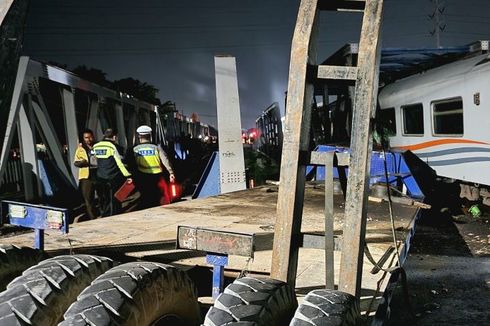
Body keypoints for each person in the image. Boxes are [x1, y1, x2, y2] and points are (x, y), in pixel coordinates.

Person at [127, 125, 175, 208]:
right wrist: (171, 172)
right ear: (150, 136)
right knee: (159, 197)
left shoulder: (134, 149)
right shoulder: (156, 147)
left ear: (139, 136)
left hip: (143, 176)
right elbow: (165, 160)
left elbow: (130, 164)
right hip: (158, 176)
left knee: (146, 197)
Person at [93, 128, 132, 216]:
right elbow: (120, 163)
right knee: (115, 198)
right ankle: (114, 214)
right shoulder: (114, 146)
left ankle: (104, 214)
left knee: (104, 198)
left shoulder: (96, 146)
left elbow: (93, 160)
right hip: (113, 176)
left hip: (100, 176)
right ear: (114, 137)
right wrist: (127, 175)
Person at [73, 129, 98, 220]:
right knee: (88, 198)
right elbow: (75, 162)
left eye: (90, 137)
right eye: (86, 137)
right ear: (83, 139)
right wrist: (83, 162)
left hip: (97, 173)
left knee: (102, 195)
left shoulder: (97, 146)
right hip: (86, 176)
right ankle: (92, 216)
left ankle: (104, 213)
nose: (89, 139)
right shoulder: (80, 149)